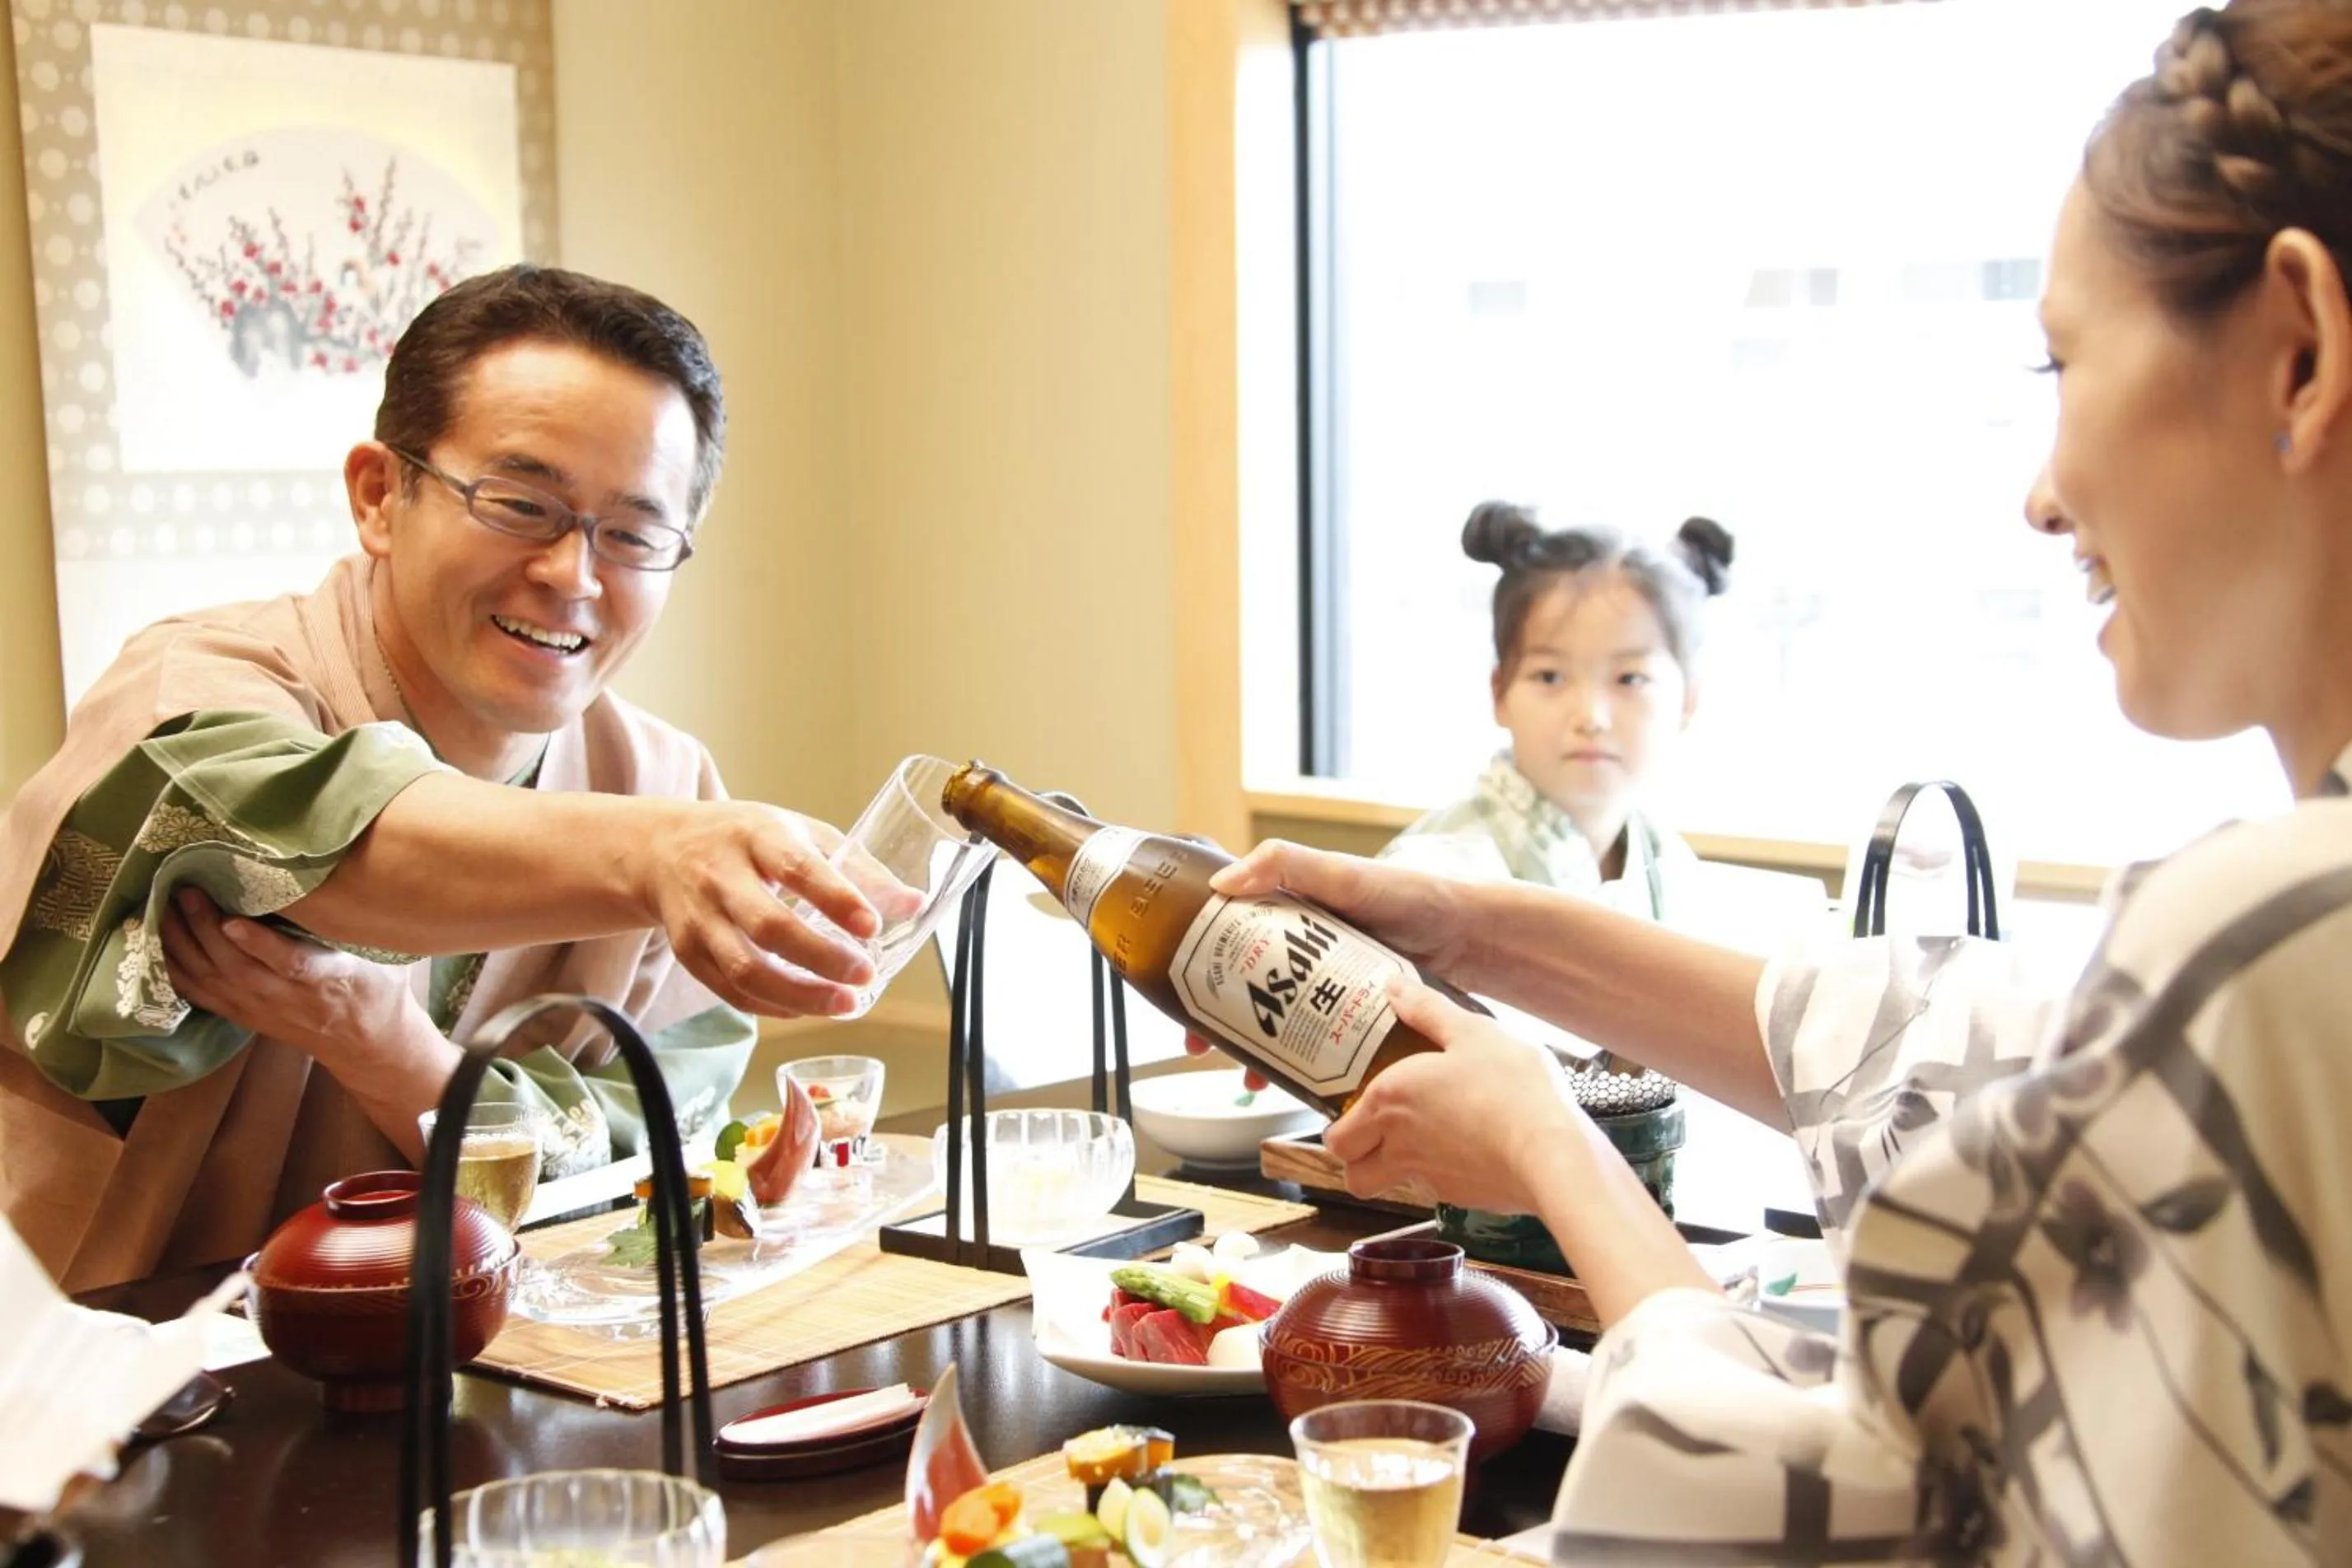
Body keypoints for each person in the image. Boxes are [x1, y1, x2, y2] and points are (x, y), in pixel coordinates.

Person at [1203, 2, 2352, 1557]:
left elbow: (1824, 1506)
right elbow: (1960, 1043)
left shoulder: (2272, 935)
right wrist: (1474, 926)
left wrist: (1551, 1139)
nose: (2037, 490)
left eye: (2061, 361)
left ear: (2298, 346)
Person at [0, 264, 887, 1291]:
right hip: (106, 1380)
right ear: (380, 495)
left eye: (634, 535)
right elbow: (282, 840)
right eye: (521, 503)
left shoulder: (662, 780)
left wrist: (390, 1051)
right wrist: (654, 855)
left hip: (481, 1386)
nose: (573, 573)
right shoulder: (201, 689)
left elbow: (632, 1186)